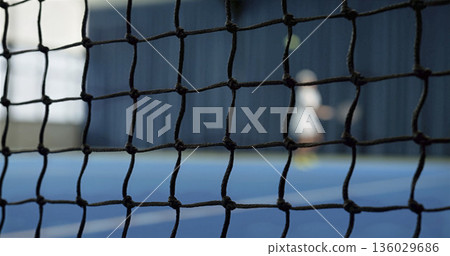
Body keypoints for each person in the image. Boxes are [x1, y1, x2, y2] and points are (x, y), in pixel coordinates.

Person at [289, 69, 333, 167]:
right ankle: (300, 159)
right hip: (302, 120)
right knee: (305, 141)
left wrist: (323, 112)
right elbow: (312, 107)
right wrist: (325, 112)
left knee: (318, 138)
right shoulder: (305, 92)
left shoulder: (314, 92)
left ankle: (305, 156)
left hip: (311, 119)